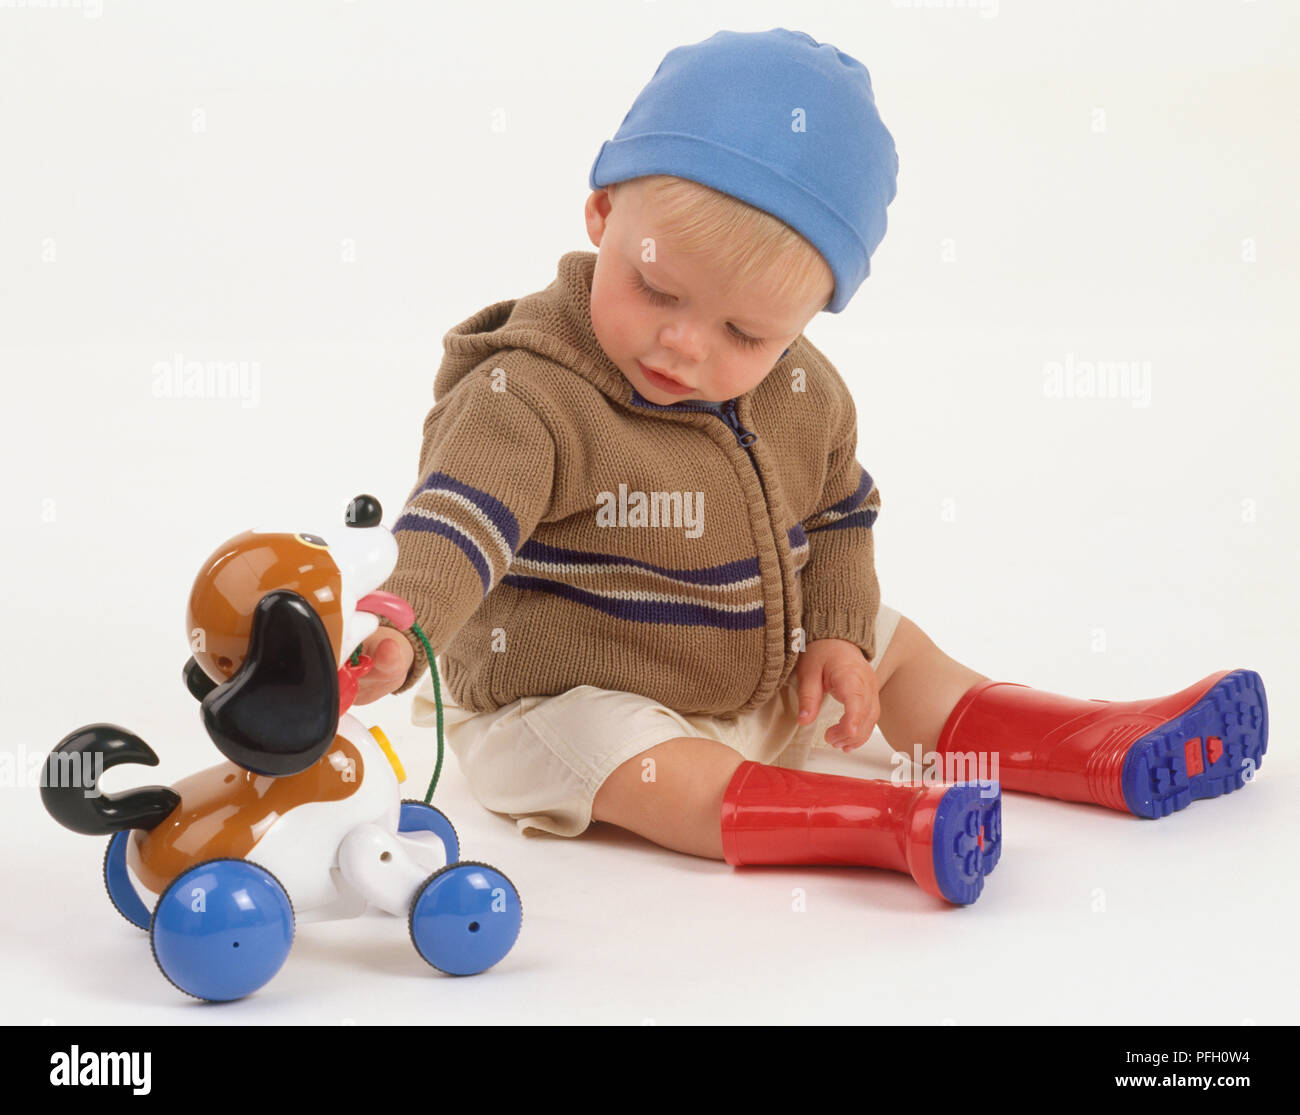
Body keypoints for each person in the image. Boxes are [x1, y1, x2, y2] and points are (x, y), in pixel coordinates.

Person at [355, 29, 1267, 906]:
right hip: (563, 695)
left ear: (808, 316)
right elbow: (459, 521)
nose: (684, 345)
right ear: (602, 211)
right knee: (623, 755)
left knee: (892, 641)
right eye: (657, 290)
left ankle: (1089, 742)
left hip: (759, 653)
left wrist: (833, 634)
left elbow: (837, 517)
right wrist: (408, 625)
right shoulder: (527, 392)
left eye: (745, 332)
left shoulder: (802, 390)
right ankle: (882, 822)